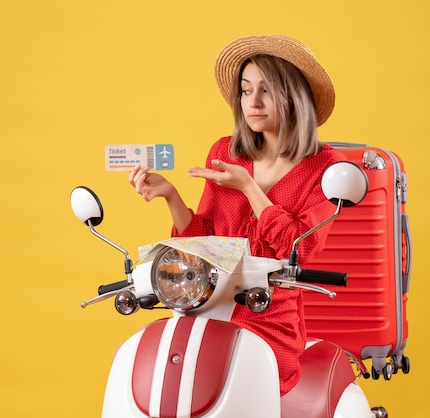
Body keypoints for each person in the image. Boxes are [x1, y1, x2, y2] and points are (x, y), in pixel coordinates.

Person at [128, 35, 346, 395]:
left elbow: (299, 251)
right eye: (245, 91)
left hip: (268, 317)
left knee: (242, 384)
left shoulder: (327, 168)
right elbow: (203, 243)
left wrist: (249, 188)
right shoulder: (226, 151)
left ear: (294, 96)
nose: (253, 102)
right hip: (205, 306)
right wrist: (170, 195)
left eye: (266, 90)